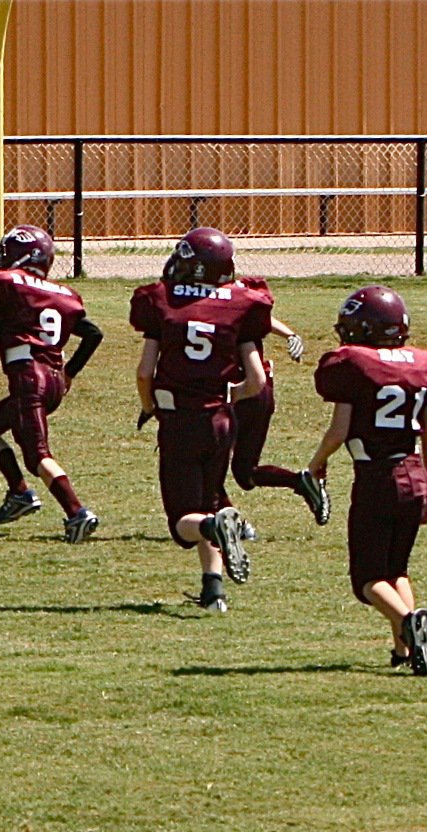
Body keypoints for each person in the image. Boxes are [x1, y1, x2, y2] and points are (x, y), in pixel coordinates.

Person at [129, 227, 270, 612]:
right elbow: (256, 380)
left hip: (180, 418)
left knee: (183, 523)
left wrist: (149, 406)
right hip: (221, 420)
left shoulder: (162, 299)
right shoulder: (241, 303)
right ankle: (213, 591)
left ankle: (213, 530)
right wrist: (228, 396)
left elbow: (145, 372)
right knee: (209, 500)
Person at [307, 285, 427, 675]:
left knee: (368, 579)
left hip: (377, 476)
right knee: (396, 569)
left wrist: (317, 463)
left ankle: (407, 622)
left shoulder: (353, 365)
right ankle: (405, 650)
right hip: (414, 473)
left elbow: (339, 430)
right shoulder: (423, 364)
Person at [0, 224, 104, 544]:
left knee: (38, 455)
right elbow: (93, 334)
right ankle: (19, 493)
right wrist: (70, 371)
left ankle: (77, 512)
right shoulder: (63, 294)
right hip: (53, 380)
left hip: (29, 378)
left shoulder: (6, 285)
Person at [228, 280, 331, 527]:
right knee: (244, 473)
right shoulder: (232, 300)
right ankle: (301, 482)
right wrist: (290, 334)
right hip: (258, 392)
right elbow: (257, 321)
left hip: (243, 390)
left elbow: (249, 327)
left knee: (206, 458)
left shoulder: (222, 301)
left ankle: (226, 525)